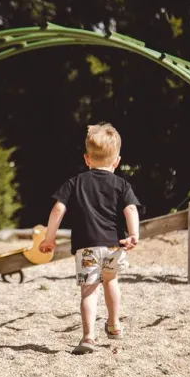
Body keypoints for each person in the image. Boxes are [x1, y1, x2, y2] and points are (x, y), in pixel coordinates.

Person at [39, 124, 140, 355]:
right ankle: (114, 324)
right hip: (114, 246)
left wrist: (49, 238)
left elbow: (57, 210)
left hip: (86, 248)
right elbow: (131, 209)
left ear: (87, 158)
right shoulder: (122, 185)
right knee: (111, 281)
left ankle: (88, 337)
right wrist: (134, 234)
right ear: (117, 161)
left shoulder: (75, 182)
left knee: (88, 291)